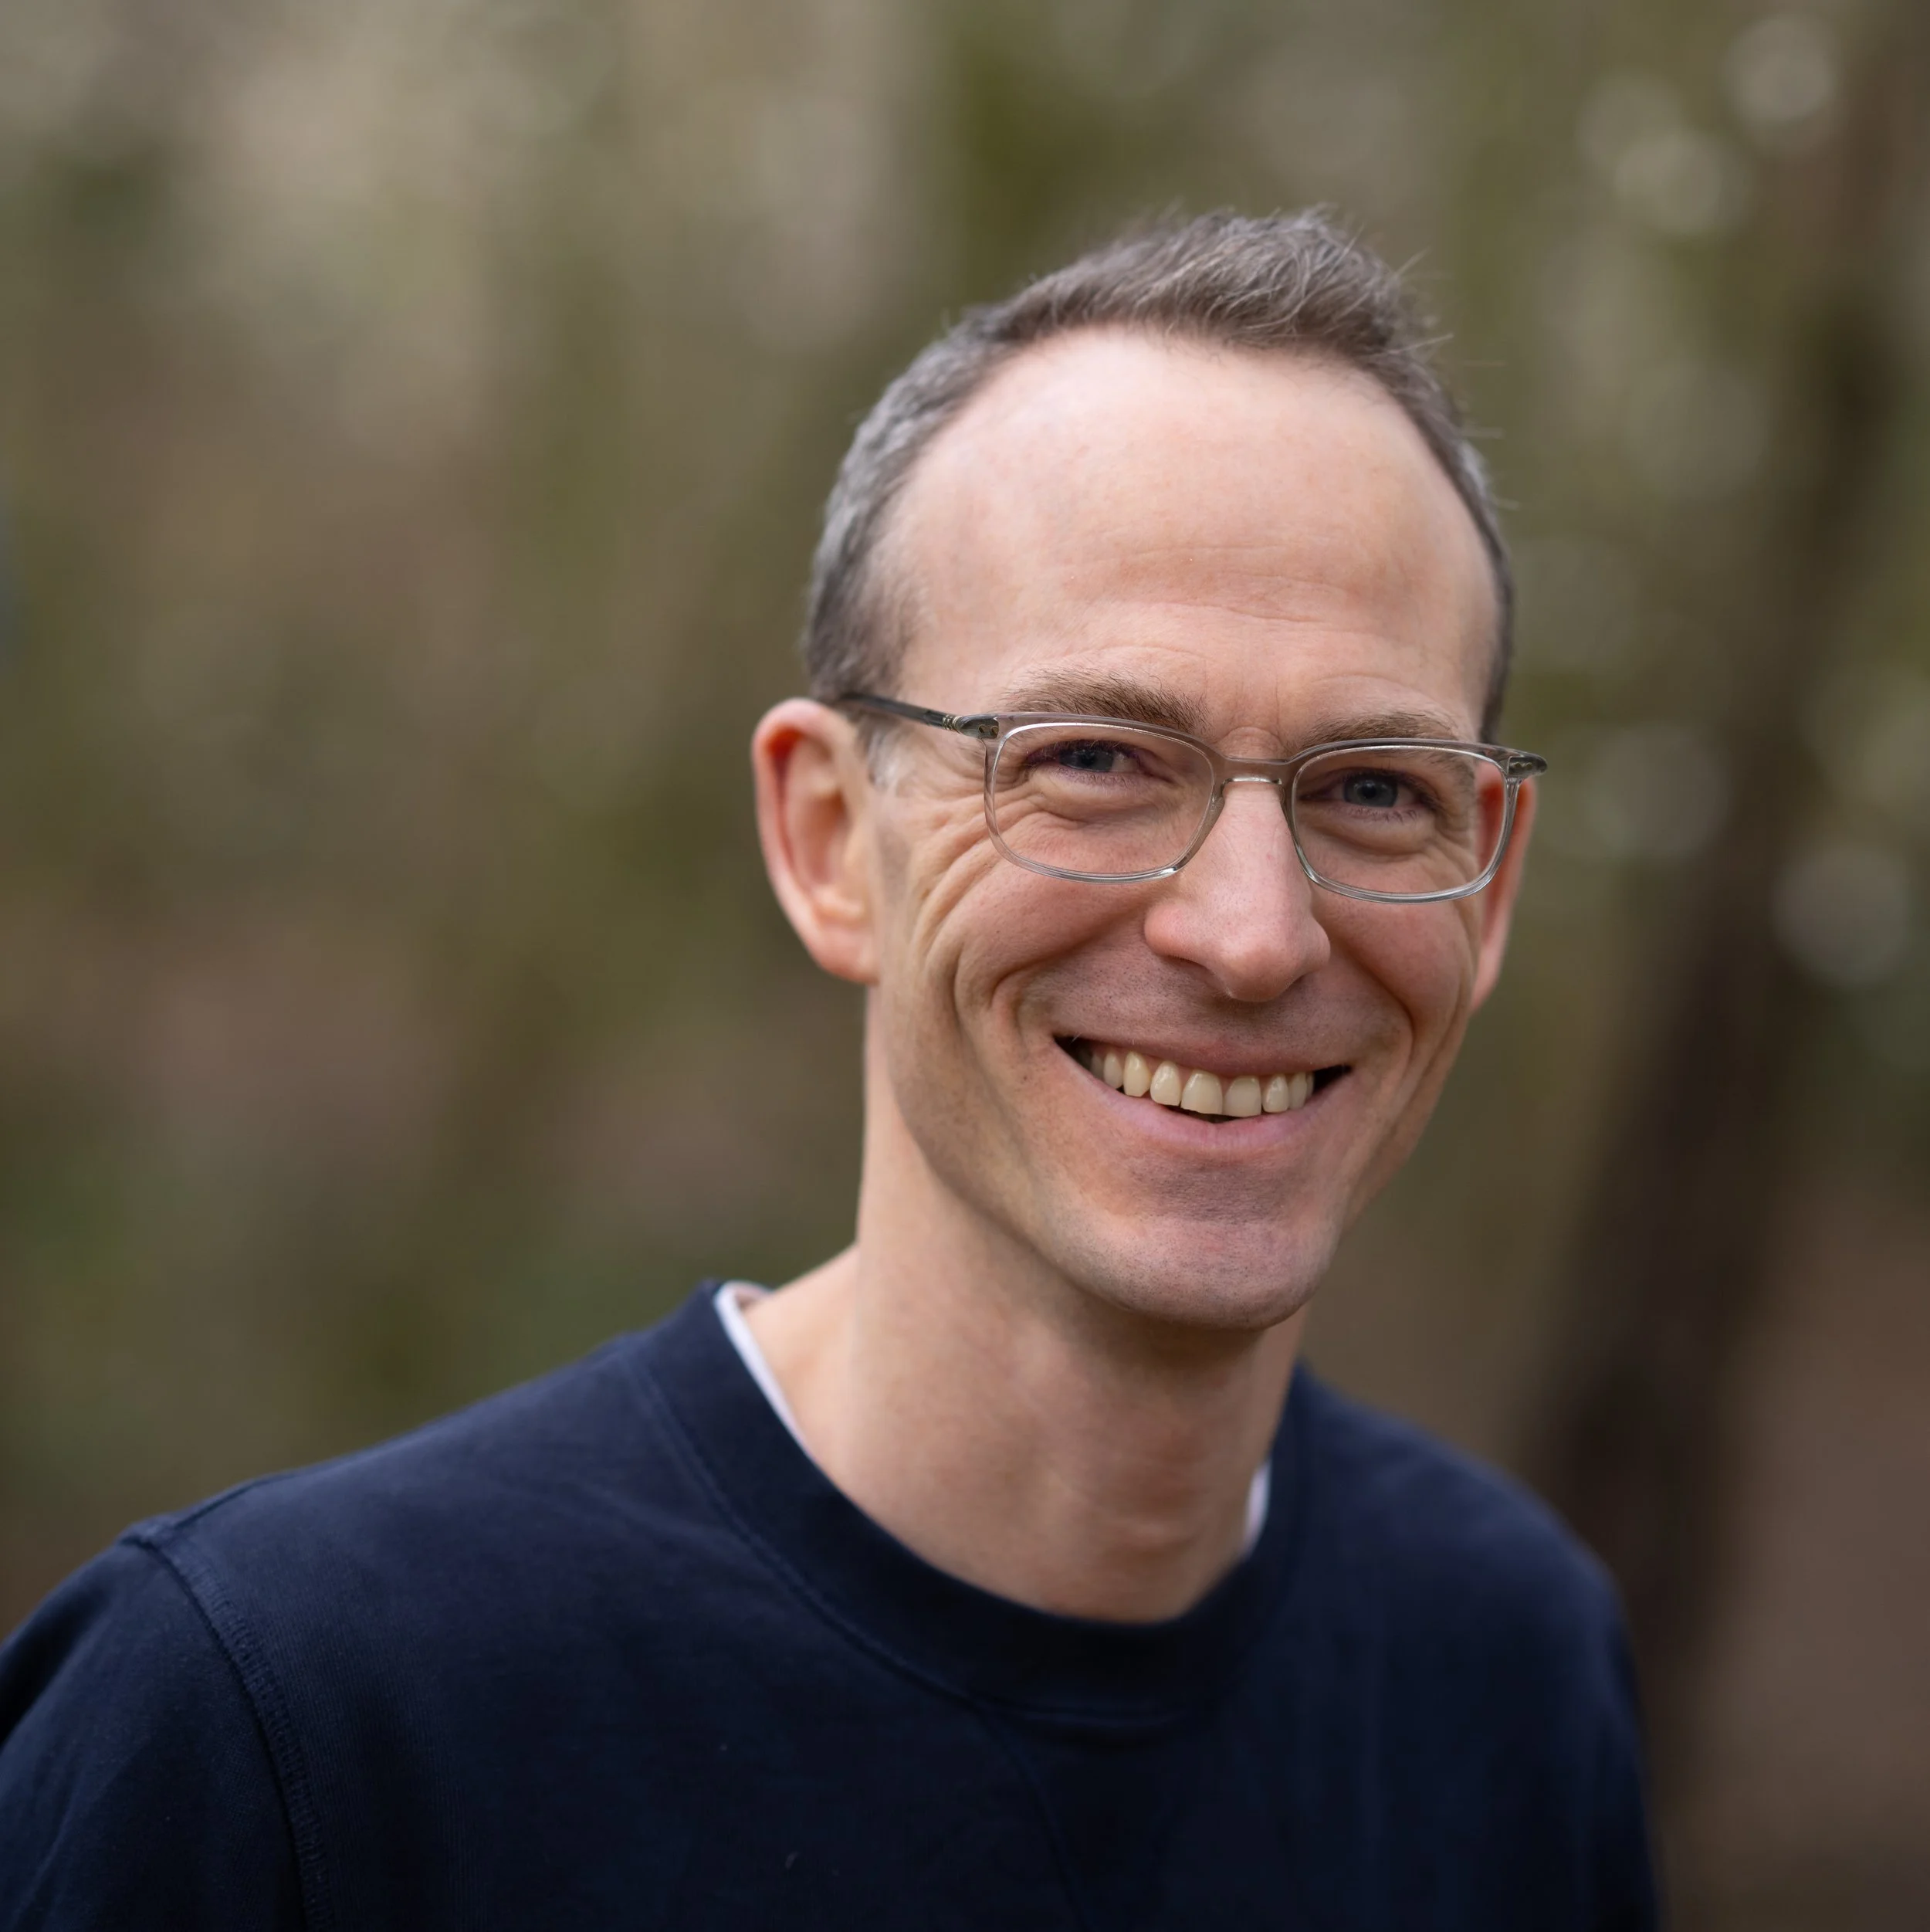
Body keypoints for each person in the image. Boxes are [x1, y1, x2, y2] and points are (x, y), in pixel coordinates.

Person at [0, 212, 1657, 1929]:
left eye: (1373, 789)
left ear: (1495, 877)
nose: (1250, 935)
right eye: (1091, 759)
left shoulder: (1509, 1671)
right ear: (824, 840)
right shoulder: (277, 1730)